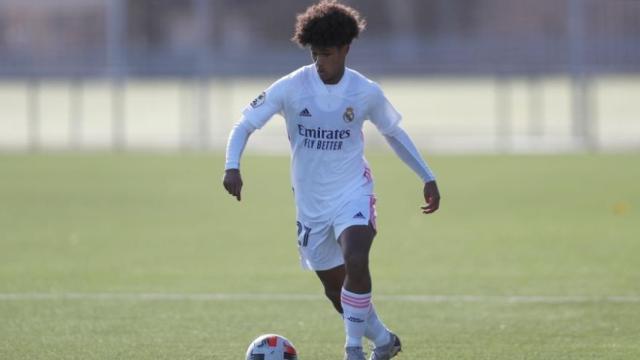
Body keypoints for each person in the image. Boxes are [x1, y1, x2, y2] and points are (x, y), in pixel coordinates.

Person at [223, 1, 440, 359]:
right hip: (311, 206)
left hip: (353, 192)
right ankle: (384, 341)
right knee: (336, 291)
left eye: (325, 54)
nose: (318, 62)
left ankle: (353, 349)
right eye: (314, 54)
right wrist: (232, 165)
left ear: (345, 49)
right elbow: (244, 123)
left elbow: (394, 133)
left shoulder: (364, 91)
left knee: (356, 258)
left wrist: (427, 176)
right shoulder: (292, 87)